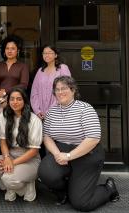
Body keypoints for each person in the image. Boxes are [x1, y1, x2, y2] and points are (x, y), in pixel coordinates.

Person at [38, 76, 120, 211]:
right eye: (57, 89)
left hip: (86, 154)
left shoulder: (85, 109)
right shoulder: (52, 111)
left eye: (63, 88)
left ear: (73, 90)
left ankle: (109, 189)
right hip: (62, 152)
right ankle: (64, 192)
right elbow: (46, 136)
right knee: (46, 173)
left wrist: (69, 156)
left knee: (82, 203)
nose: (60, 92)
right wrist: (57, 153)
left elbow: (93, 138)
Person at [0, 87, 42, 202]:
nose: (15, 102)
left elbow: (34, 151)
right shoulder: (4, 115)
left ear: (25, 101)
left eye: (19, 99)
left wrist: (12, 163)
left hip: (30, 159)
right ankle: (13, 187)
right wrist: (7, 158)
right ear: (8, 101)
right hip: (11, 155)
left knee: (8, 178)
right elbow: (2, 141)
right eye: (12, 99)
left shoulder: (34, 119)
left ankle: (28, 183)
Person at [0, 35, 29, 120]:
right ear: (4, 51)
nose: (10, 51)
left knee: (14, 123)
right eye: (7, 48)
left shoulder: (23, 66)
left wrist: (5, 92)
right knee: (0, 123)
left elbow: (24, 85)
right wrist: (1, 99)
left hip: (16, 99)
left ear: (18, 51)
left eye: (13, 48)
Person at [30, 45, 71, 120]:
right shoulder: (40, 71)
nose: (47, 55)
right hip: (41, 114)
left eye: (50, 52)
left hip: (59, 111)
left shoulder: (62, 68)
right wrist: (37, 111)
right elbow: (34, 92)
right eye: (44, 53)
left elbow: (66, 90)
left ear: (55, 55)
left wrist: (51, 111)